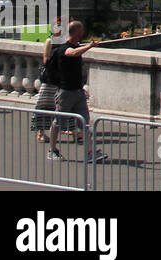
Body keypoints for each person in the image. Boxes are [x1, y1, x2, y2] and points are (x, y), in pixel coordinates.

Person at [46, 21, 108, 163]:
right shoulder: (64, 48)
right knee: (58, 123)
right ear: (76, 32)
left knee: (85, 123)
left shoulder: (75, 46)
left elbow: (76, 51)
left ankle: (90, 153)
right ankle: (52, 150)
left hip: (78, 92)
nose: (83, 32)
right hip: (65, 92)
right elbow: (72, 53)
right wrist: (90, 46)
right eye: (81, 30)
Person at [32, 24, 62, 141]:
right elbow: (46, 59)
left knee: (61, 105)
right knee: (44, 104)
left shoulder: (62, 42)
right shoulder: (50, 41)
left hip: (59, 77)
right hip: (50, 78)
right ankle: (40, 132)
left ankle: (73, 130)